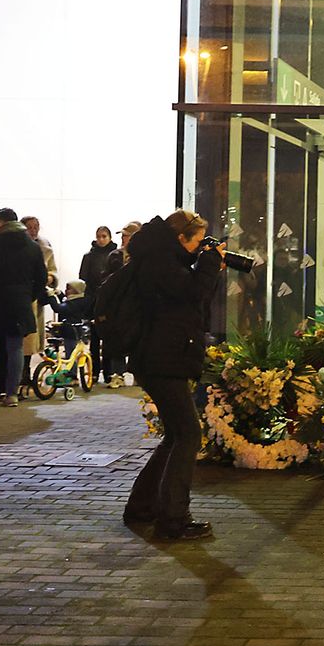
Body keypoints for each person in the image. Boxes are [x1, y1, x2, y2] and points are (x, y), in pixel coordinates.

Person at [123, 210, 226, 542]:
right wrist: (209, 266)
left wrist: (208, 267)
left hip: (162, 358)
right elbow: (191, 294)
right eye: (197, 241)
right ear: (181, 238)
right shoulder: (160, 263)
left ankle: (143, 506)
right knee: (188, 435)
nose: (200, 248)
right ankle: (173, 518)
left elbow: (194, 299)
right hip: (162, 359)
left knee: (177, 435)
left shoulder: (163, 259)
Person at [0, 208, 47, 409]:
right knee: (16, 349)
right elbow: (41, 279)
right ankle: (11, 394)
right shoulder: (32, 247)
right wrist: (28, 297)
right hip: (20, 305)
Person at [19, 216, 57, 397]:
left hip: (37, 299)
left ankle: (27, 373)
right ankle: (22, 373)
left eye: (36, 227)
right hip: (22, 299)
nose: (34, 230)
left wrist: (49, 278)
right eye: (30, 227)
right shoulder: (18, 246)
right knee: (23, 340)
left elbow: (52, 270)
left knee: (33, 340)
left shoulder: (45, 248)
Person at [101, 221, 140, 387]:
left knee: (138, 339)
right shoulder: (114, 255)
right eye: (122, 235)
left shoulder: (144, 258)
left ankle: (138, 373)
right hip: (119, 304)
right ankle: (118, 373)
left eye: (126, 235)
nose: (123, 238)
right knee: (117, 338)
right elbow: (106, 278)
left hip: (137, 303)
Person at [79, 226, 117, 385]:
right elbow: (84, 277)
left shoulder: (115, 255)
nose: (101, 239)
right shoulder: (89, 256)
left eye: (104, 236)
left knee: (108, 338)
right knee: (94, 338)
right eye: (99, 236)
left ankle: (108, 371)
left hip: (109, 300)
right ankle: (94, 371)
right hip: (93, 299)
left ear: (109, 237)